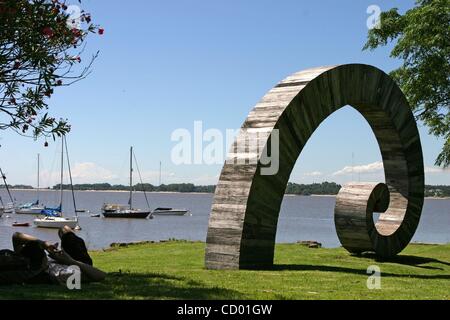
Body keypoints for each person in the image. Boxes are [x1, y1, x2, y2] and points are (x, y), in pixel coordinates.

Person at [0, 226, 105, 286]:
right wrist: (69, 260)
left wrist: (44, 243)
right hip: (80, 264)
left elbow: (16, 236)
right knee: (67, 232)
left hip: (59, 260)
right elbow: (100, 275)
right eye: (44, 255)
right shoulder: (59, 274)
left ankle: (64, 245)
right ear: (42, 264)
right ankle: (66, 244)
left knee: (63, 230)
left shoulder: (21, 261)